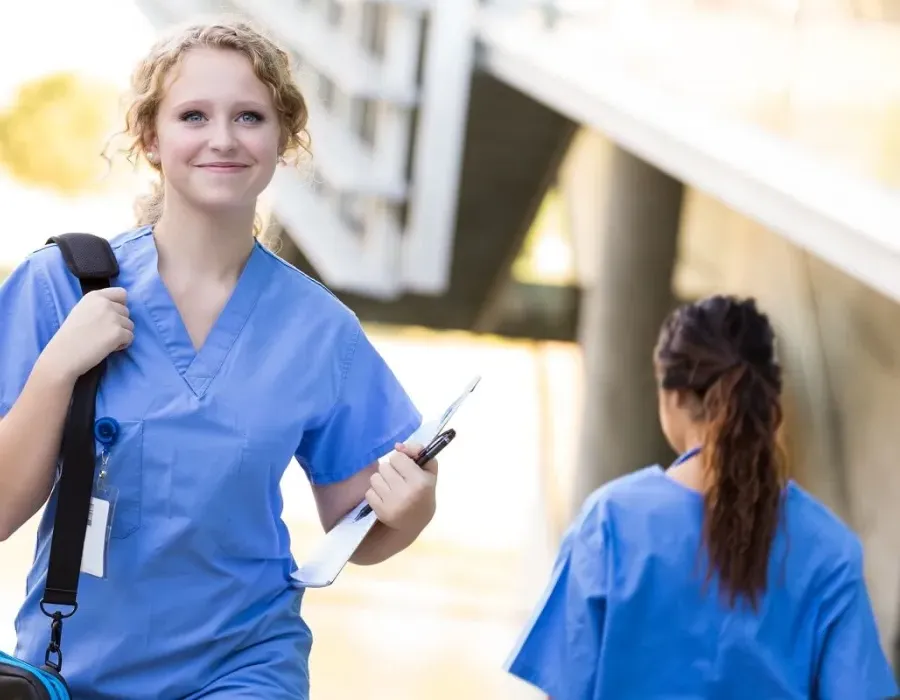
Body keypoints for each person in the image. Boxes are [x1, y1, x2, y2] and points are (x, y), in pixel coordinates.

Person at [0, 19, 439, 699]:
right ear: (151, 137)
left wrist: (409, 512)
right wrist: (58, 367)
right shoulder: (60, 285)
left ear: (283, 140)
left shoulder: (321, 330)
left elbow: (356, 529)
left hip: (245, 665)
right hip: (73, 669)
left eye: (250, 117)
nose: (223, 138)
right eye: (193, 115)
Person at [504, 295, 899, 699]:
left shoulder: (610, 521)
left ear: (673, 396)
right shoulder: (829, 548)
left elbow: (563, 691)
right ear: (769, 400)